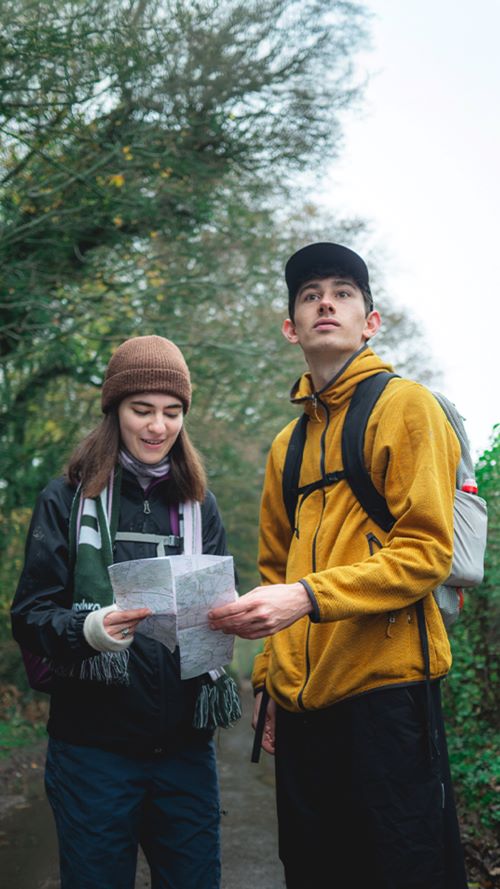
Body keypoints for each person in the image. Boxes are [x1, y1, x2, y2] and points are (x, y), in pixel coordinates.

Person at [208, 243, 468, 889]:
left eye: (344, 291)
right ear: (291, 326)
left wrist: (307, 596)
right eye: (310, 293)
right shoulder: (284, 446)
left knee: (401, 869)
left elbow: (426, 551)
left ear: (370, 321)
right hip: (302, 709)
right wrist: (268, 686)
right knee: (315, 870)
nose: (327, 300)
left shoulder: (407, 407)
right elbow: (274, 567)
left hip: (389, 696)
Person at [11, 334, 234, 889]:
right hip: (92, 753)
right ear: (114, 412)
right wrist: (89, 629)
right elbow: (29, 616)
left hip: (185, 751)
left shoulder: (200, 505)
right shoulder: (64, 500)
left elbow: (216, 604)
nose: (159, 426)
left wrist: (232, 618)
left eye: (172, 412)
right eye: (142, 410)